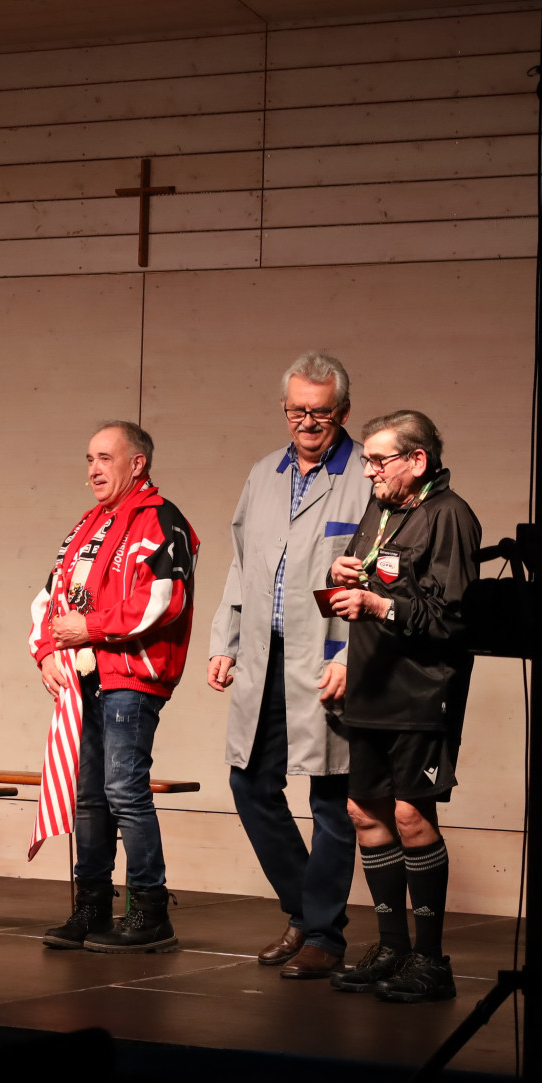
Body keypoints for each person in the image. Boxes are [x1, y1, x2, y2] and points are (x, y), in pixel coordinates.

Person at [207, 352, 373, 980]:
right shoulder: (264, 474)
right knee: (250, 782)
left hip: (328, 658)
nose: (307, 421)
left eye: (320, 411)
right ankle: (307, 912)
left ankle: (323, 936)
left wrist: (351, 657)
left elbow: (379, 579)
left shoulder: (366, 475)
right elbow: (241, 564)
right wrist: (225, 642)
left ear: (343, 412)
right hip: (265, 655)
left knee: (330, 795)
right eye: (297, 410)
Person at [324, 410, 481, 1003]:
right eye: (366, 460)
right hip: (371, 683)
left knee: (412, 816)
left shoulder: (450, 516)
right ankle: (391, 947)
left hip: (420, 690)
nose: (368, 471)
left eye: (377, 460)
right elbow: (371, 580)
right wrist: (342, 575)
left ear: (417, 460)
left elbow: (452, 620)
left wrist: (378, 605)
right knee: (364, 813)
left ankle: (430, 960)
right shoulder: (383, 508)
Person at [32, 421, 199, 954]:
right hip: (83, 678)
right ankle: (93, 905)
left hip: (131, 676)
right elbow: (49, 597)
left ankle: (150, 911)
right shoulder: (87, 525)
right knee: (89, 797)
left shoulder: (161, 519)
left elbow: (163, 600)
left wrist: (91, 628)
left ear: (137, 464)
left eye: (105, 458)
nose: (94, 469)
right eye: (89, 459)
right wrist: (46, 652)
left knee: (124, 791)